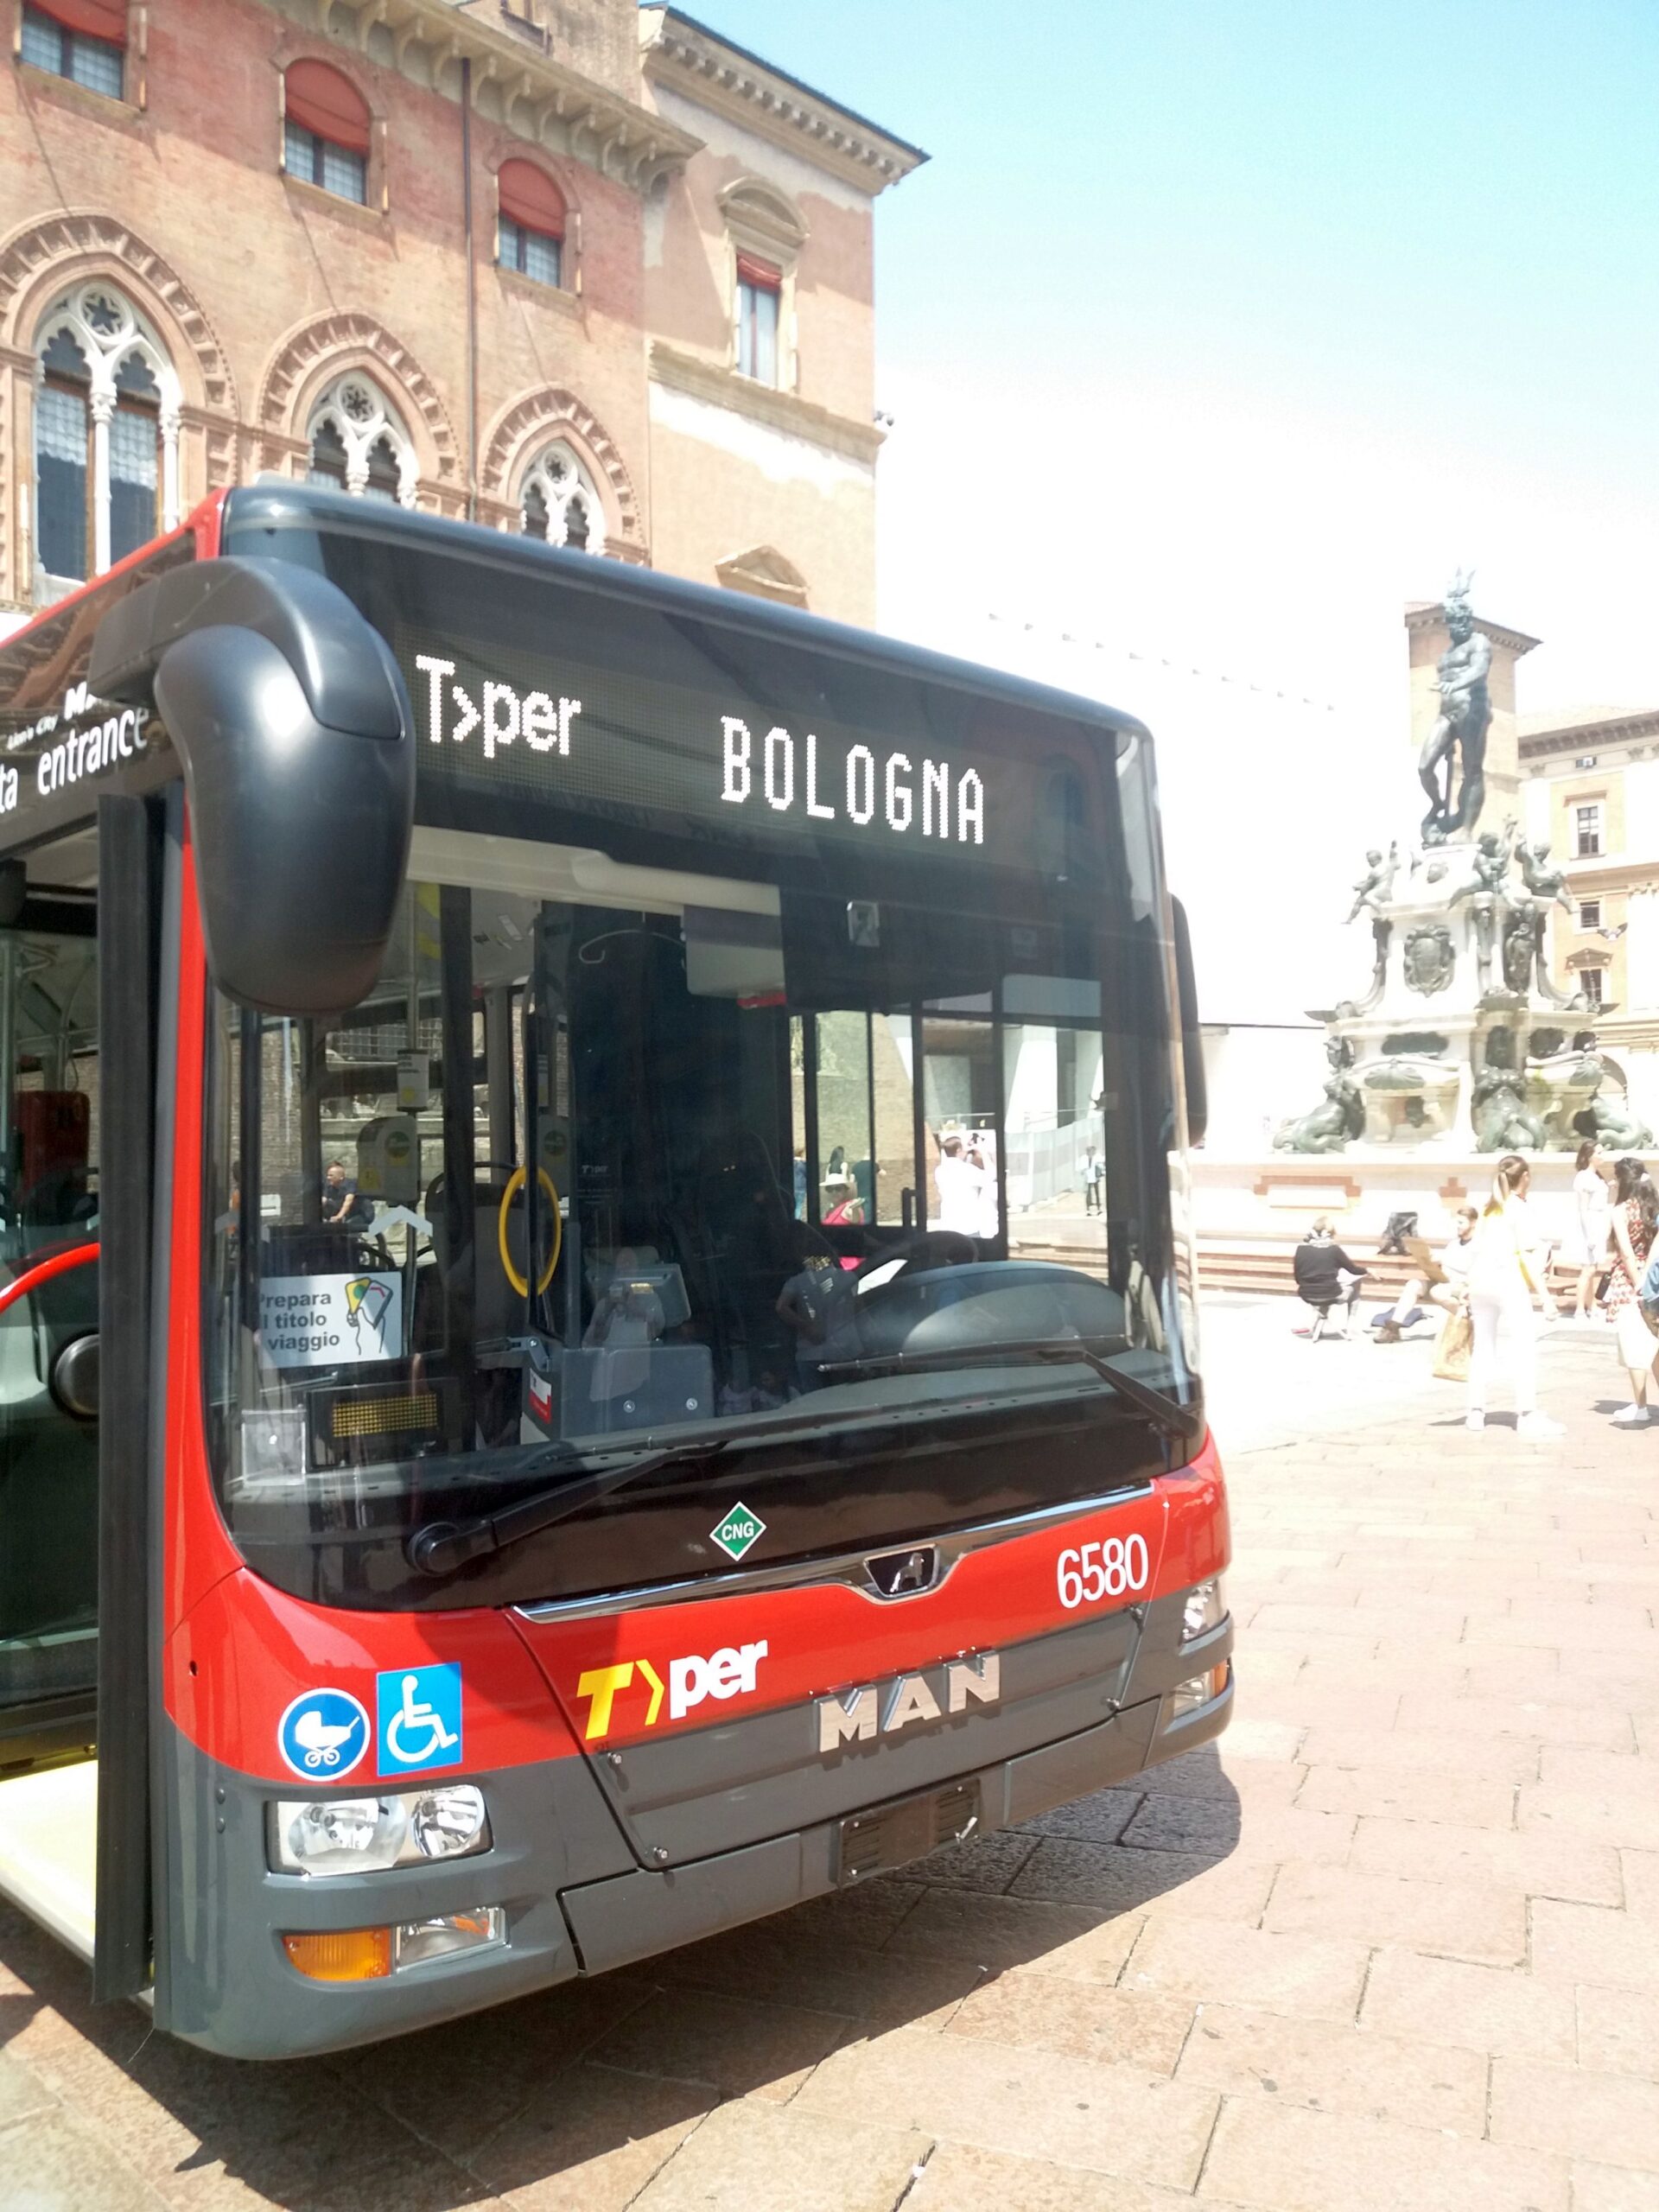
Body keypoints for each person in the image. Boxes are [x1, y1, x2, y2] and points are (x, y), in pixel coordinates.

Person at [1465, 1154, 1562, 1438]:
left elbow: (1475, 1250)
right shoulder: (1519, 1209)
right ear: (1526, 1178)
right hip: (1508, 1281)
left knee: (1483, 1347)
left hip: (1481, 1283)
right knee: (1523, 1347)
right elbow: (1527, 1256)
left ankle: (1475, 1410)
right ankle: (1528, 1412)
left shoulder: (1489, 1208)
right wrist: (1545, 1296)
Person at [1603, 1155, 1659, 1425]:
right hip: (1656, 1276)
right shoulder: (1653, 1205)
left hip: (1630, 1281)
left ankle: (1640, 1405)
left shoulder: (1621, 1210)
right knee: (1656, 1343)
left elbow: (1625, 1252)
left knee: (1634, 1345)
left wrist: (1639, 1282)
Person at [1376, 1205, 1478, 1340]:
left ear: (1473, 1223)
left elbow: (1476, 1271)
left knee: (1437, 1291)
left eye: (1461, 1223)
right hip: (1444, 1282)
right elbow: (1445, 1262)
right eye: (1456, 1223)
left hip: (1462, 1287)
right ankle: (1393, 1328)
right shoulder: (1454, 1244)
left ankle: (1470, 1320)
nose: (1458, 1226)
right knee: (1414, 1284)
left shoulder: (1479, 1246)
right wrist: (1429, 1259)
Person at [1292, 1216, 1369, 1338]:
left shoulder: (1301, 1249)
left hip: (1306, 1295)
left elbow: (1297, 1277)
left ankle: (1315, 1325)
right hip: (1331, 1294)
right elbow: (1353, 1270)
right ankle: (1351, 1325)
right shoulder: (1334, 1250)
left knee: (1323, 1289)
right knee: (1355, 1281)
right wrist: (1368, 1270)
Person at [1572, 1138, 1612, 1324]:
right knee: (1587, 1269)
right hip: (1590, 1224)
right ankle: (1580, 1308)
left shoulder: (1596, 1176)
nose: (1602, 1156)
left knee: (1593, 1268)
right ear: (1589, 1156)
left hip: (1598, 1221)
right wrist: (1589, 1234)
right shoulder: (1583, 1177)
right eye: (1599, 1152)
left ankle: (1591, 1305)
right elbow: (1583, 1208)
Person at [933, 1132, 987, 1238]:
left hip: (948, 1224)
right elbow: (989, 1178)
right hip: (968, 1225)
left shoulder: (939, 1170)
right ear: (958, 1150)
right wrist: (980, 1154)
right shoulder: (968, 1170)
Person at [1083, 1143, 1103, 1216]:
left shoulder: (1097, 1157)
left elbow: (1101, 1165)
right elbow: (1082, 1168)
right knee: (1088, 1194)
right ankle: (1088, 1210)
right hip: (1087, 1178)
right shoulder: (1084, 1158)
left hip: (1095, 1178)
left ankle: (1099, 1209)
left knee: (1097, 1193)